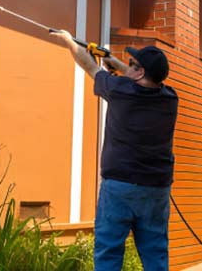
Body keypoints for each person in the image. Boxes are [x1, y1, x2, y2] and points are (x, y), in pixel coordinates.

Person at [50, 30, 179, 271]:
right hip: (156, 190)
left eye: (132, 64)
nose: (128, 66)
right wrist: (117, 63)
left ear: (140, 72)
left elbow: (89, 66)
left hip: (120, 186)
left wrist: (68, 40)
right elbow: (141, 80)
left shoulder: (120, 90)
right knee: (155, 252)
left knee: (109, 251)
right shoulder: (170, 99)